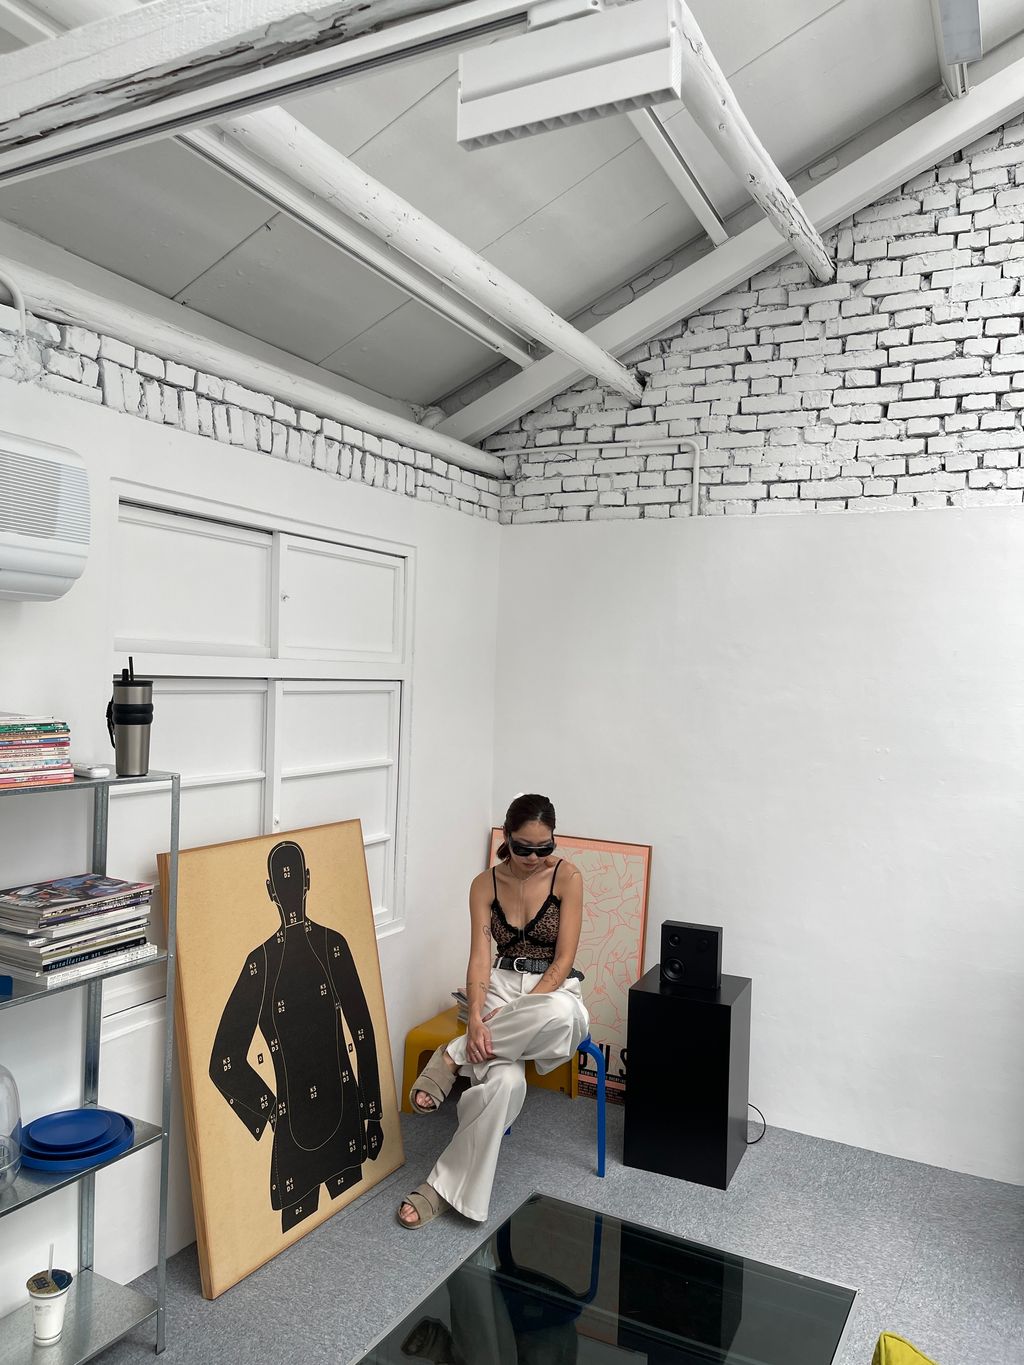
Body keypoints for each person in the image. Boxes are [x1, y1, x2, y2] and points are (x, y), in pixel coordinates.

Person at [398, 794, 588, 1228]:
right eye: (524, 848)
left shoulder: (568, 877)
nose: (535, 858)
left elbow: (563, 960)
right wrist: (477, 1017)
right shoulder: (484, 885)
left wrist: (512, 1014)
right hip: (500, 988)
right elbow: (480, 958)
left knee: (560, 1016)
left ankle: (453, 1056)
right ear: (507, 838)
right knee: (504, 1082)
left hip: (553, 992)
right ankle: (442, 1188)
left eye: (545, 848)